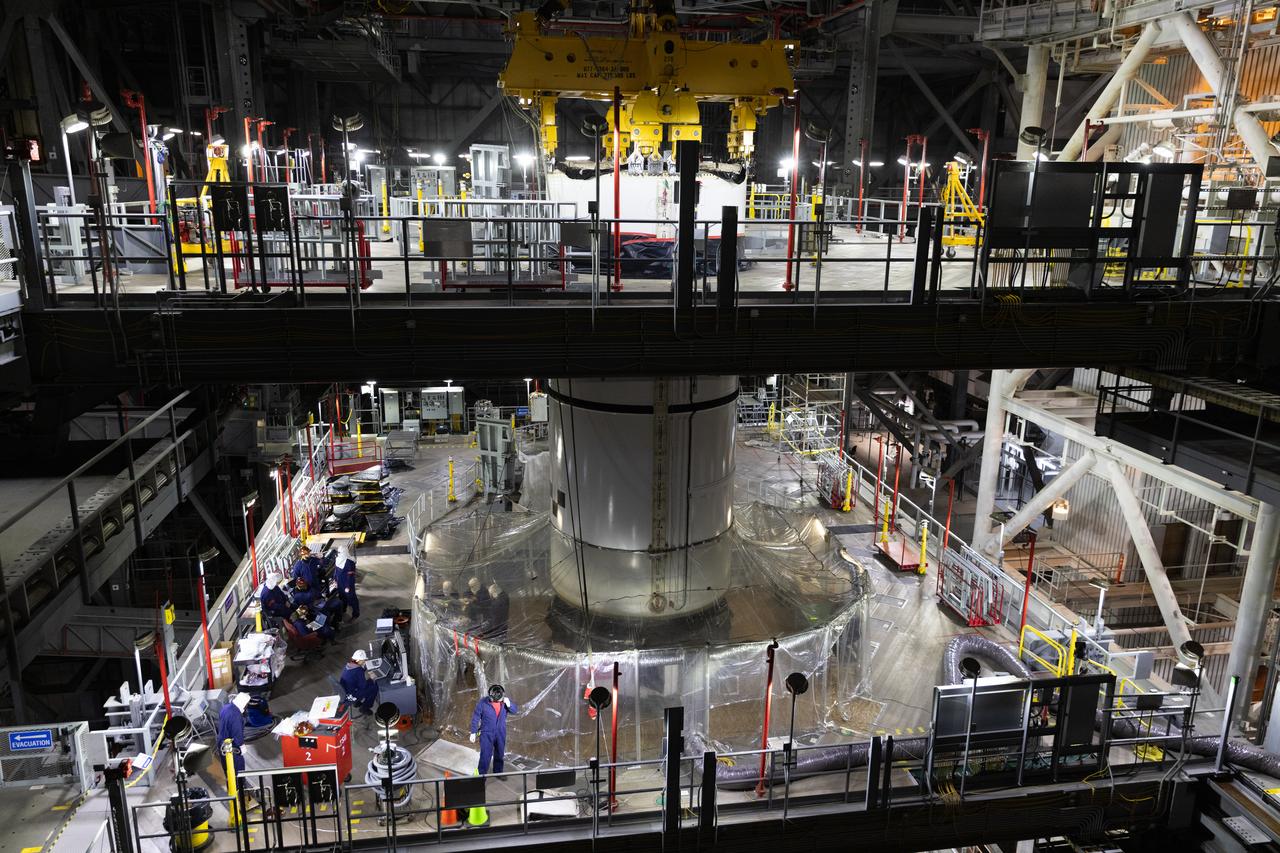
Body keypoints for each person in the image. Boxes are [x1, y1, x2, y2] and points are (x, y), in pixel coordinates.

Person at [469, 684, 519, 775]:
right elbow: (476, 717)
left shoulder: (504, 702)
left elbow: (515, 711)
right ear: (490, 696)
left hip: (500, 732)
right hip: (486, 733)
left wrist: (509, 704)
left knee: (500, 753)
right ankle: (481, 774)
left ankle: (498, 772)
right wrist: (473, 732)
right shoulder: (483, 703)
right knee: (485, 754)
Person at [217, 692, 251, 779]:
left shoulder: (225, 707)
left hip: (221, 742)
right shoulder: (236, 716)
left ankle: (230, 785)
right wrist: (241, 747)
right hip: (232, 747)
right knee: (237, 770)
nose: (247, 706)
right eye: (247, 704)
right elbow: (237, 734)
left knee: (227, 769)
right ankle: (239, 785)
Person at [339, 649, 378, 714]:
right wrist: (371, 678)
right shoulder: (358, 671)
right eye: (364, 660)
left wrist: (364, 669)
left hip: (346, 692)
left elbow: (355, 674)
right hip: (351, 696)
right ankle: (365, 708)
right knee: (374, 687)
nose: (364, 662)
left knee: (369, 683)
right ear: (359, 660)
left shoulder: (348, 666)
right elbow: (363, 686)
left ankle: (356, 703)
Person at [333, 542, 359, 620]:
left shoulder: (349, 562)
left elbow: (350, 576)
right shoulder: (338, 559)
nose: (338, 554)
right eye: (338, 552)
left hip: (347, 584)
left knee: (352, 599)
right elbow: (336, 571)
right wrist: (335, 580)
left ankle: (356, 614)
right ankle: (343, 610)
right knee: (342, 597)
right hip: (340, 583)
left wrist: (348, 586)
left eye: (340, 552)